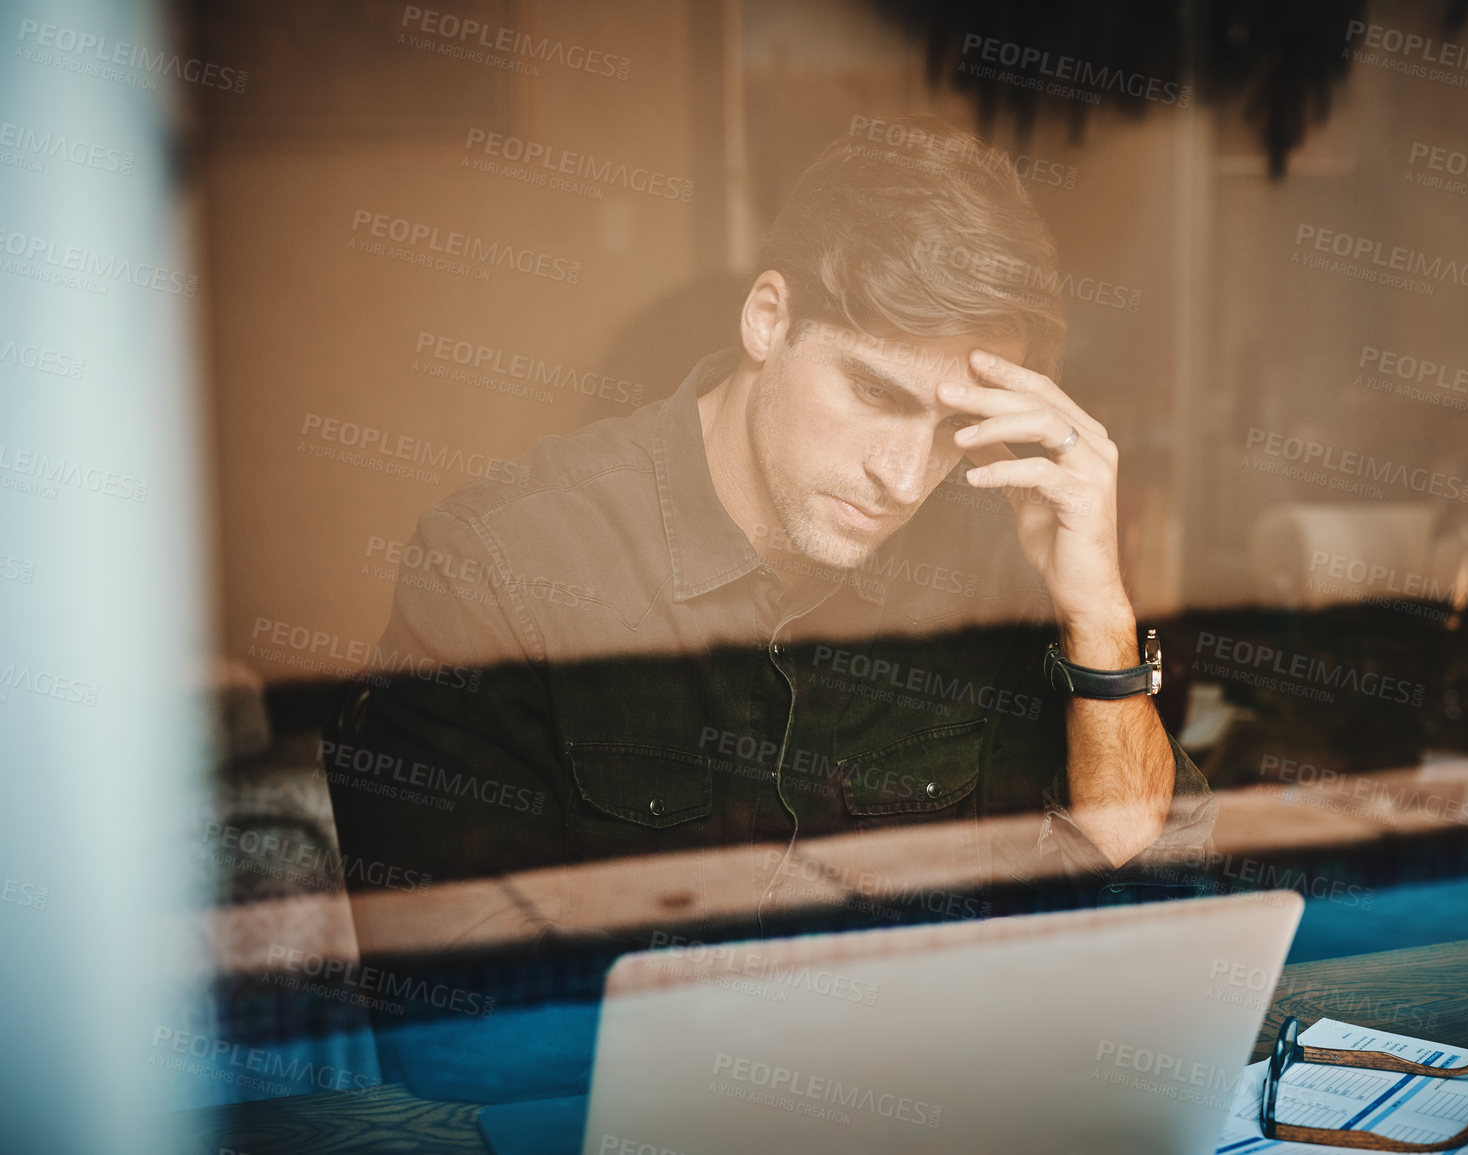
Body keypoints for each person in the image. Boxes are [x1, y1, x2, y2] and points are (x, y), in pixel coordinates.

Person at [323, 113, 1215, 950]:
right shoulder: (500, 565)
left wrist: (1097, 610)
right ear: (768, 318)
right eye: (874, 393)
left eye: (952, 427)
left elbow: (1147, 893)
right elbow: (452, 1024)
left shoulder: (993, 544)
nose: (905, 478)